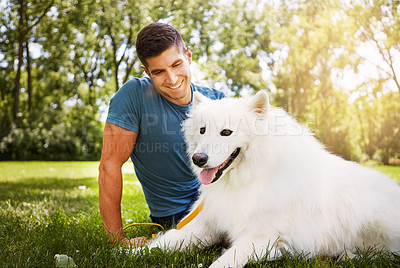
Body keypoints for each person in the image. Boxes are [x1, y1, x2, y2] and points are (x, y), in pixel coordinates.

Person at [98, 22, 225, 248]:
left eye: (176, 64)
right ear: (147, 72)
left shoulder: (215, 99)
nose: (173, 79)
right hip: (179, 216)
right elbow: (110, 165)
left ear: (188, 55)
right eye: (159, 72)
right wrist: (118, 240)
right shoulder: (134, 96)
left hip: (223, 201)